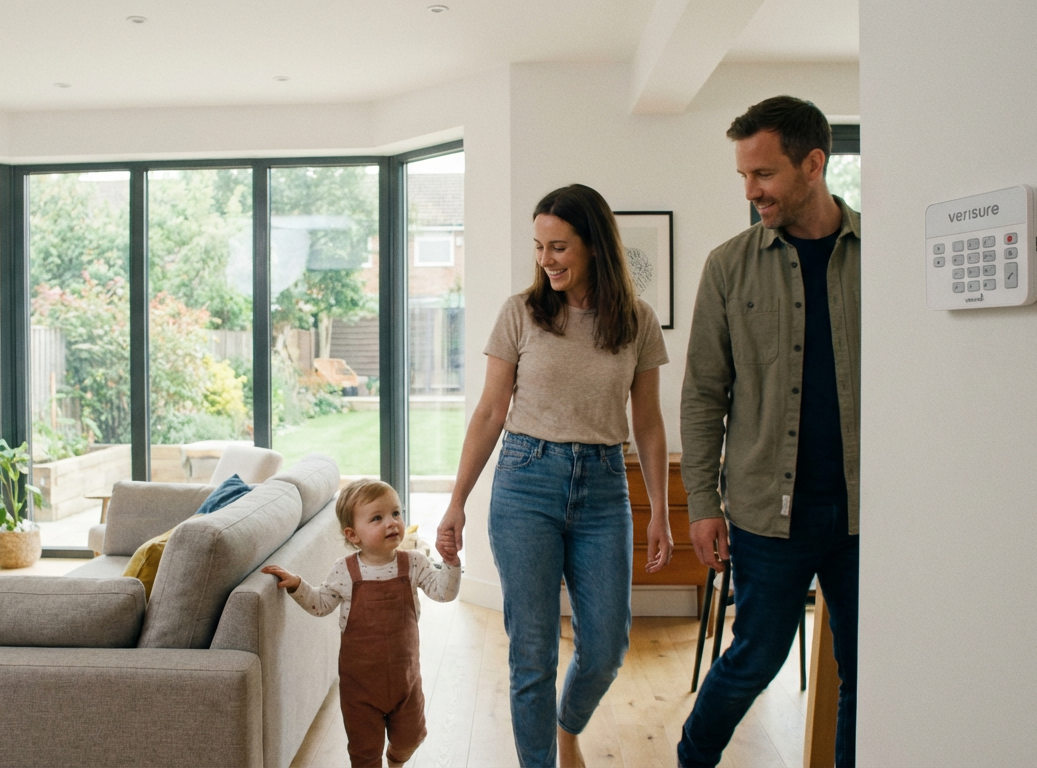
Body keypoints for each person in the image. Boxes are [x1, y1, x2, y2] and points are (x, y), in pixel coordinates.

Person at [436, 184, 673, 768]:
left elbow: (647, 422)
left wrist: (661, 512)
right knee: (532, 653)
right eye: (539, 247)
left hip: (604, 486)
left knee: (607, 646)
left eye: (559, 247)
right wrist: (457, 500)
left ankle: (567, 727)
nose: (546, 259)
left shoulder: (637, 320)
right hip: (526, 483)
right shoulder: (521, 312)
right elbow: (490, 411)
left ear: (594, 245)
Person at [676, 96, 861, 767]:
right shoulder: (729, 265)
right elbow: (703, 394)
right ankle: (691, 759)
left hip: (867, 510)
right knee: (755, 656)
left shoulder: (884, 255)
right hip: (766, 509)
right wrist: (703, 503)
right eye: (744, 176)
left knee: (869, 666)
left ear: (813, 164)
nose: (751, 191)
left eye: (764, 174)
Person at [262, 479, 461, 768]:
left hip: (405, 682)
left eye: (395, 513)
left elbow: (444, 593)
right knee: (364, 752)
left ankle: (396, 759)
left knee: (411, 737)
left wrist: (451, 563)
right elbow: (320, 604)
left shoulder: (414, 563)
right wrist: (296, 585)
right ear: (353, 534)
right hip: (360, 688)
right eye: (377, 518)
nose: (391, 522)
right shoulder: (344, 571)